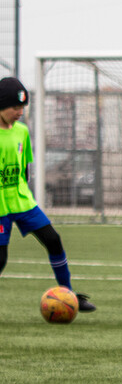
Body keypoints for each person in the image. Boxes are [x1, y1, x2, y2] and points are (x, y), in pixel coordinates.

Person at [0, 77, 95, 312]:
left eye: (23, 107)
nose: (20, 112)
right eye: (15, 107)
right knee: (0, 260)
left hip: (21, 201)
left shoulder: (22, 132)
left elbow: (24, 171)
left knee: (53, 240)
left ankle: (69, 295)